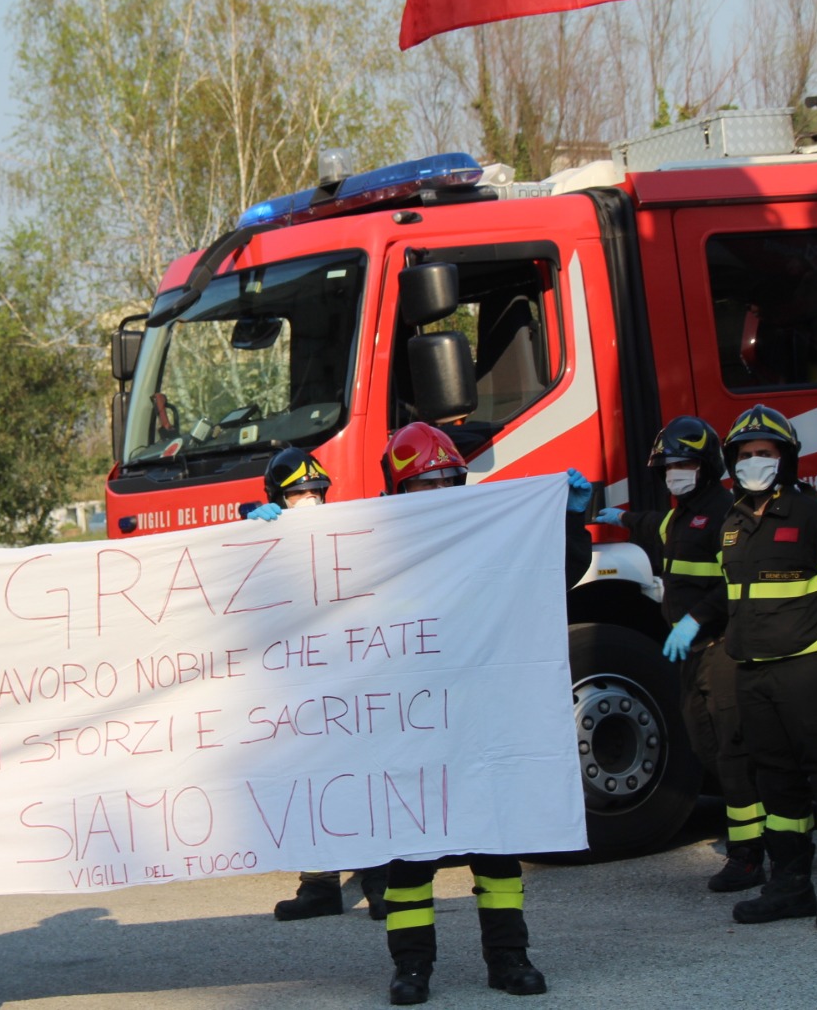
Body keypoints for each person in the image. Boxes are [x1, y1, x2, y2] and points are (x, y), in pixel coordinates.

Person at [379, 422, 594, 1005]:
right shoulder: (367, 546)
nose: (443, 491)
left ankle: (509, 959)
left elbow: (552, 577)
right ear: (399, 492)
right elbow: (305, 589)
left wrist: (572, 520)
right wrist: (269, 533)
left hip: (480, 724)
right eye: (427, 484)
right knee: (410, 856)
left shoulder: (487, 533)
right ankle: (411, 968)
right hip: (412, 728)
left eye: (450, 479)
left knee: (496, 844)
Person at [718, 405, 817, 931]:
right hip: (755, 673)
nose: (755, 462)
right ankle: (790, 886)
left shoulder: (813, 516)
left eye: (765, 453)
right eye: (746, 455)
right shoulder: (734, 523)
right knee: (777, 783)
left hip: (809, 671)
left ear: (785, 459)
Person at [594, 416, 765, 893]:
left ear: (707, 465)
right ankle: (775, 820)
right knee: (705, 744)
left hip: (721, 648)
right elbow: (656, 526)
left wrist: (697, 618)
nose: (675, 472)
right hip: (693, 655)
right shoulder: (683, 514)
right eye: (668, 465)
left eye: (685, 463)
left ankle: (749, 853)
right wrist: (619, 517)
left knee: (732, 752)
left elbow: (737, 581)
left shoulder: (727, 513)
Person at [249, 447, 391, 922]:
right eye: (297, 495)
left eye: (315, 492)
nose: (309, 501)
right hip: (295, 685)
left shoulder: (348, 533)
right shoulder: (260, 535)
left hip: (348, 681)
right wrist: (248, 528)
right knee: (308, 781)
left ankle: (379, 879)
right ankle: (319, 886)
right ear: (275, 498)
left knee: (360, 776)